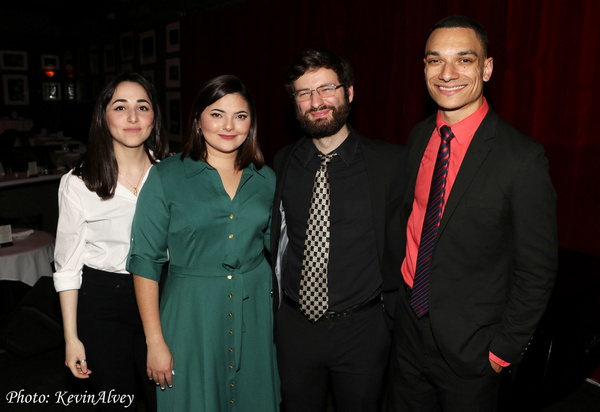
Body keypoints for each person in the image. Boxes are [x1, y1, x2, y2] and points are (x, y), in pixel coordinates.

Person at [389, 15, 558, 411]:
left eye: (463, 60)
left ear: (487, 67)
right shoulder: (418, 137)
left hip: (472, 351)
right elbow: (409, 225)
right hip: (408, 333)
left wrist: (501, 352)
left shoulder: (522, 159)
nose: (447, 73)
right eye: (435, 60)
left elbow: (537, 270)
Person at [127, 75, 280, 411]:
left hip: (254, 312)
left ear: (251, 123)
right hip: (190, 314)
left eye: (240, 116)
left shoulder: (266, 178)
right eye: (216, 114)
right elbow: (144, 261)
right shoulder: (166, 176)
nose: (229, 125)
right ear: (197, 120)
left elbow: (282, 250)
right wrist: (155, 341)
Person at [271, 48, 407, 412]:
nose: (316, 102)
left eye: (326, 88)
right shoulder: (283, 163)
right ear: (295, 103)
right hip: (295, 328)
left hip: (362, 330)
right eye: (304, 93)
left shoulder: (390, 164)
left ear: (349, 92)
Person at [53, 72, 170, 411]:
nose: (133, 117)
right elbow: (68, 267)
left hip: (163, 297)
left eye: (142, 107)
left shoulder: (171, 175)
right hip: (103, 305)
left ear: (154, 118)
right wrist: (71, 338)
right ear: (103, 117)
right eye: (121, 107)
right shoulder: (78, 183)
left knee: (166, 400)